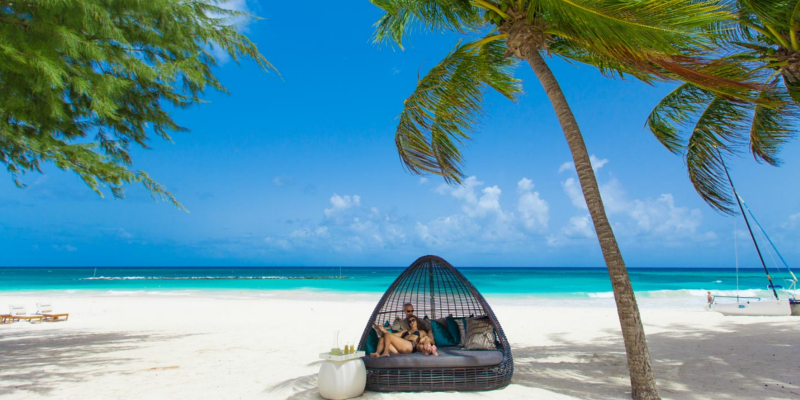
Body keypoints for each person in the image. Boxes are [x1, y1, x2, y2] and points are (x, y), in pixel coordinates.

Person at [370, 316, 438, 357]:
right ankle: (377, 353)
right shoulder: (405, 331)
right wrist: (383, 330)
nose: (411, 322)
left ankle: (386, 352)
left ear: (417, 321)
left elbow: (430, 340)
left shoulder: (421, 332)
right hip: (400, 349)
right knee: (383, 338)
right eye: (410, 321)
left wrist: (426, 336)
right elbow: (394, 335)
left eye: (413, 320)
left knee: (387, 335)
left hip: (411, 345)